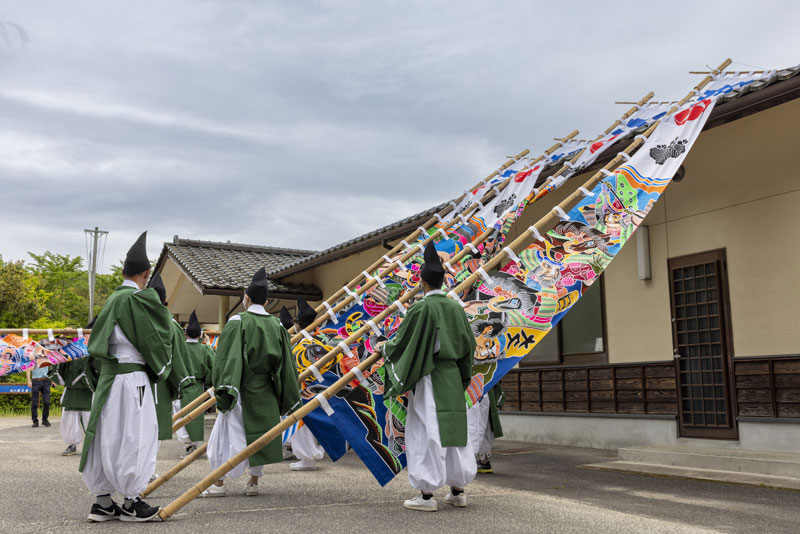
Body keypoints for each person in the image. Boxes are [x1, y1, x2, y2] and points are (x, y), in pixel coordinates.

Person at [79, 231, 175, 522]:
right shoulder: (140, 300)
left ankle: (103, 502)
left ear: (122, 272)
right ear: (146, 273)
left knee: (105, 436)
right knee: (135, 437)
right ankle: (132, 502)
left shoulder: (111, 301)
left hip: (108, 379)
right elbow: (159, 340)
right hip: (133, 379)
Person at [378, 242, 476, 512]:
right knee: (455, 433)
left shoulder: (421, 309)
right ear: (443, 280)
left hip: (429, 376)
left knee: (427, 431)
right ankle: (458, 490)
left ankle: (426, 495)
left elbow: (402, 344)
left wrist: (382, 347)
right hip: (453, 377)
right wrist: (463, 376)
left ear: (421, 281)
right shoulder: (457, 308)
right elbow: (470, 346)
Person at [204, 267, 301, 497]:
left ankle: (218, 483)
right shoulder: (278, 326)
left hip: (241, 389)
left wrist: (222, 386)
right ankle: (253, 482)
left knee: (226, 436)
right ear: (267, 301)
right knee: (261, 436)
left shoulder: (237, 321)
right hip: (267, 390)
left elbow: (227, 359)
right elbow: (287, 364)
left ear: (246, 298)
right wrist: (285, 392)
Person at [148, 274, 195, 465]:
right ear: (165, 301)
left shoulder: (135, 319)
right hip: (161, 382)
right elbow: (179, 358)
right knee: (154, 428)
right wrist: (181, 385)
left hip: (130, 380)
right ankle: (146, 471)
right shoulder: (172, 325)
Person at [280, 300, 325, 472]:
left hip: (303, 387)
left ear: (298, 324)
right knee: (306, 425)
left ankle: (307, 458)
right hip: (314, 387)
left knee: (302, 425)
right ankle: (306, 456)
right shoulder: (318, 339)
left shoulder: (304, 342)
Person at [180, 310, 215, 457]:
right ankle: (194, 445)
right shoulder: (205, 349)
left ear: (186, 334)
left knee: (181, 415)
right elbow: (213, 367)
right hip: (198, 387)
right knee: (196, 415)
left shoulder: (180, 348)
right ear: (199, 335)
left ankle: (188, 445)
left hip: (181, 386)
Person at [48, 350, 96, 455]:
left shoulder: (93, 345)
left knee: (91, 418)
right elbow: (58, 365)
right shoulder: (70, 348)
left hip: (89, 389)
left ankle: (94, 446)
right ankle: (72, 444)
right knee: (68, 418)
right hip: (71, 389)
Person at [467, 384, 504, 473]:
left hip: (475, 391)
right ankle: (483, 460)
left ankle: (472, 461)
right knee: (483, 427)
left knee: (476, 427)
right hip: (483, 391)